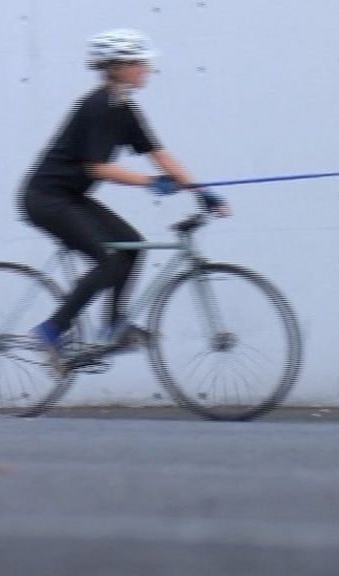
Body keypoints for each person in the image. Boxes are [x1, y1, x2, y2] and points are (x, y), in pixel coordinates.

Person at [19, 28, 228, 373]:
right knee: (109, 258)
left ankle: (113, 325)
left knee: (132, 246)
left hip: (70, 196)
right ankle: (51, 330)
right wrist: (151, 183)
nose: (146, 69)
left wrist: (200, 191)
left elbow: (159, 154)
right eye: (138, 63)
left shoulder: (124, 107)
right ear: (116, 66)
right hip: (46, 199)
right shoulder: (98, 105)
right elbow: (97, 167)